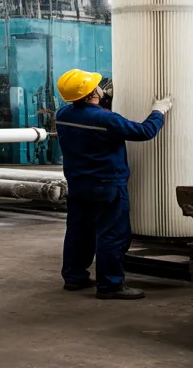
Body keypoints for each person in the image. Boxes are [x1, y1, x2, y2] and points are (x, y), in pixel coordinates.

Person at [54, 69, 172, 301]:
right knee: (111, 235)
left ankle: (74, 277)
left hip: (78, 184)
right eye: (98, 86)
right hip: (107, 184)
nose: (102, 87)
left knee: (79, 232)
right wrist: (158, 111)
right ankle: (110, 285)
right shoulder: (106, 119)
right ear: (91, 93)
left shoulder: (63, 114)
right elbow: (144, 131)